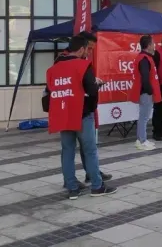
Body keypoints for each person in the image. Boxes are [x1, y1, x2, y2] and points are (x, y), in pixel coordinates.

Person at [44, 35, 117, 200]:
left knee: (67, 151)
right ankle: (97, 186)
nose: (88, 52)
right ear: (82, 49)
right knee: (90, 151)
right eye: (88, 49)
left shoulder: (53, 68)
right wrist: (97, 85)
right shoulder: (84, 65)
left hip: (63, 115)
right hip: (82, 115)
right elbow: (91, 90)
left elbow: (50, 91)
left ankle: (72, 188)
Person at [134, 35, 162, 150]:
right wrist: (149, 90)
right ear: (149, 45)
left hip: (147, 92)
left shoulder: (146, 57)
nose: (154, 45)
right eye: (153, 43)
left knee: (144, 117)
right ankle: (141, 141)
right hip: (146, 92)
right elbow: (144, 77)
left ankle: (142, 139)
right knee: (144, 117)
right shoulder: (144, 59)